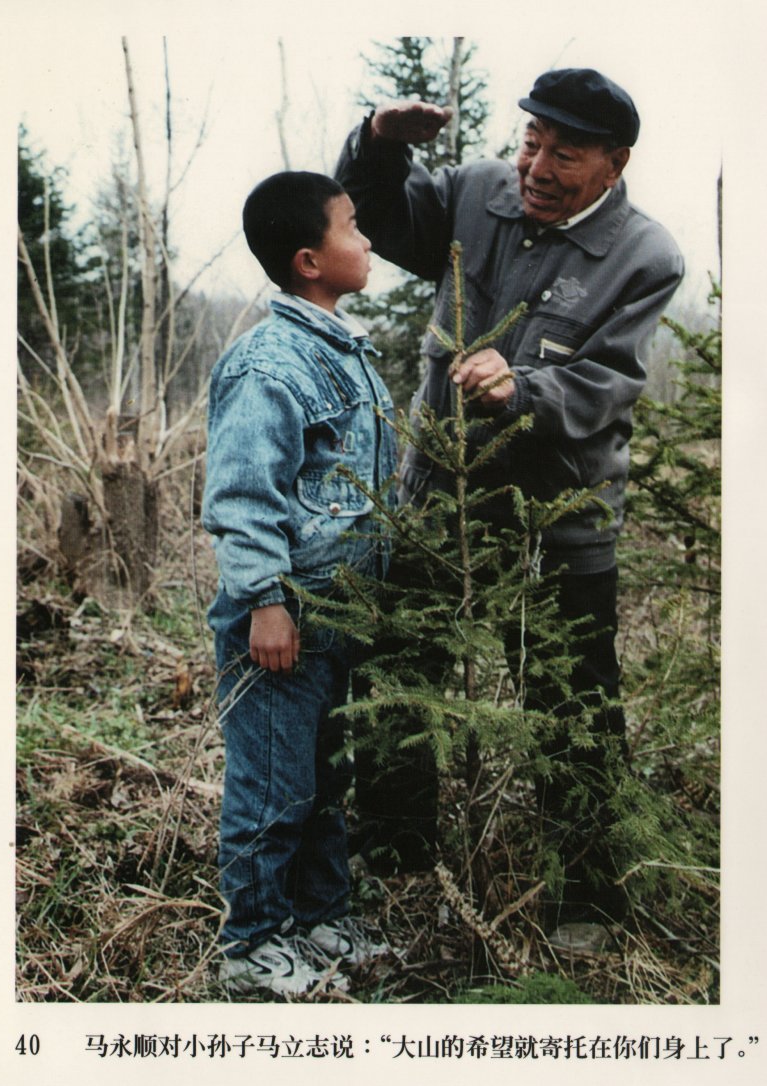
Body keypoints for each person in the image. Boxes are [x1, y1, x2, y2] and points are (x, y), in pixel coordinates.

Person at [335, 68, 684, 950]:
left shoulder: (645, 256)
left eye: (564, 154)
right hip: (436, 495)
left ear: (614, 164)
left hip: (555, 522)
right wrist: (378, 142)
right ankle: (400, 873)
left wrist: (521, 389)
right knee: (400, 681)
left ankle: (585, 901)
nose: (535, 166)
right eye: (530, 141)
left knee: (572, 704)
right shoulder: (478, 191)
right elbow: (378, 217)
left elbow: (605, 384)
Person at [202, 171, 397, 996]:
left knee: (321, 776)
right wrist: (265, 604)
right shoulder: (269, 365)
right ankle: (252, 943)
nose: (370, 242)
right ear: (311, 259)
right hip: (282, 620)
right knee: (272, 783)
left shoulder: (341, 350)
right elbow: (244, 500)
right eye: (355, 228)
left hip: (335, 615)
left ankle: (319, 917)